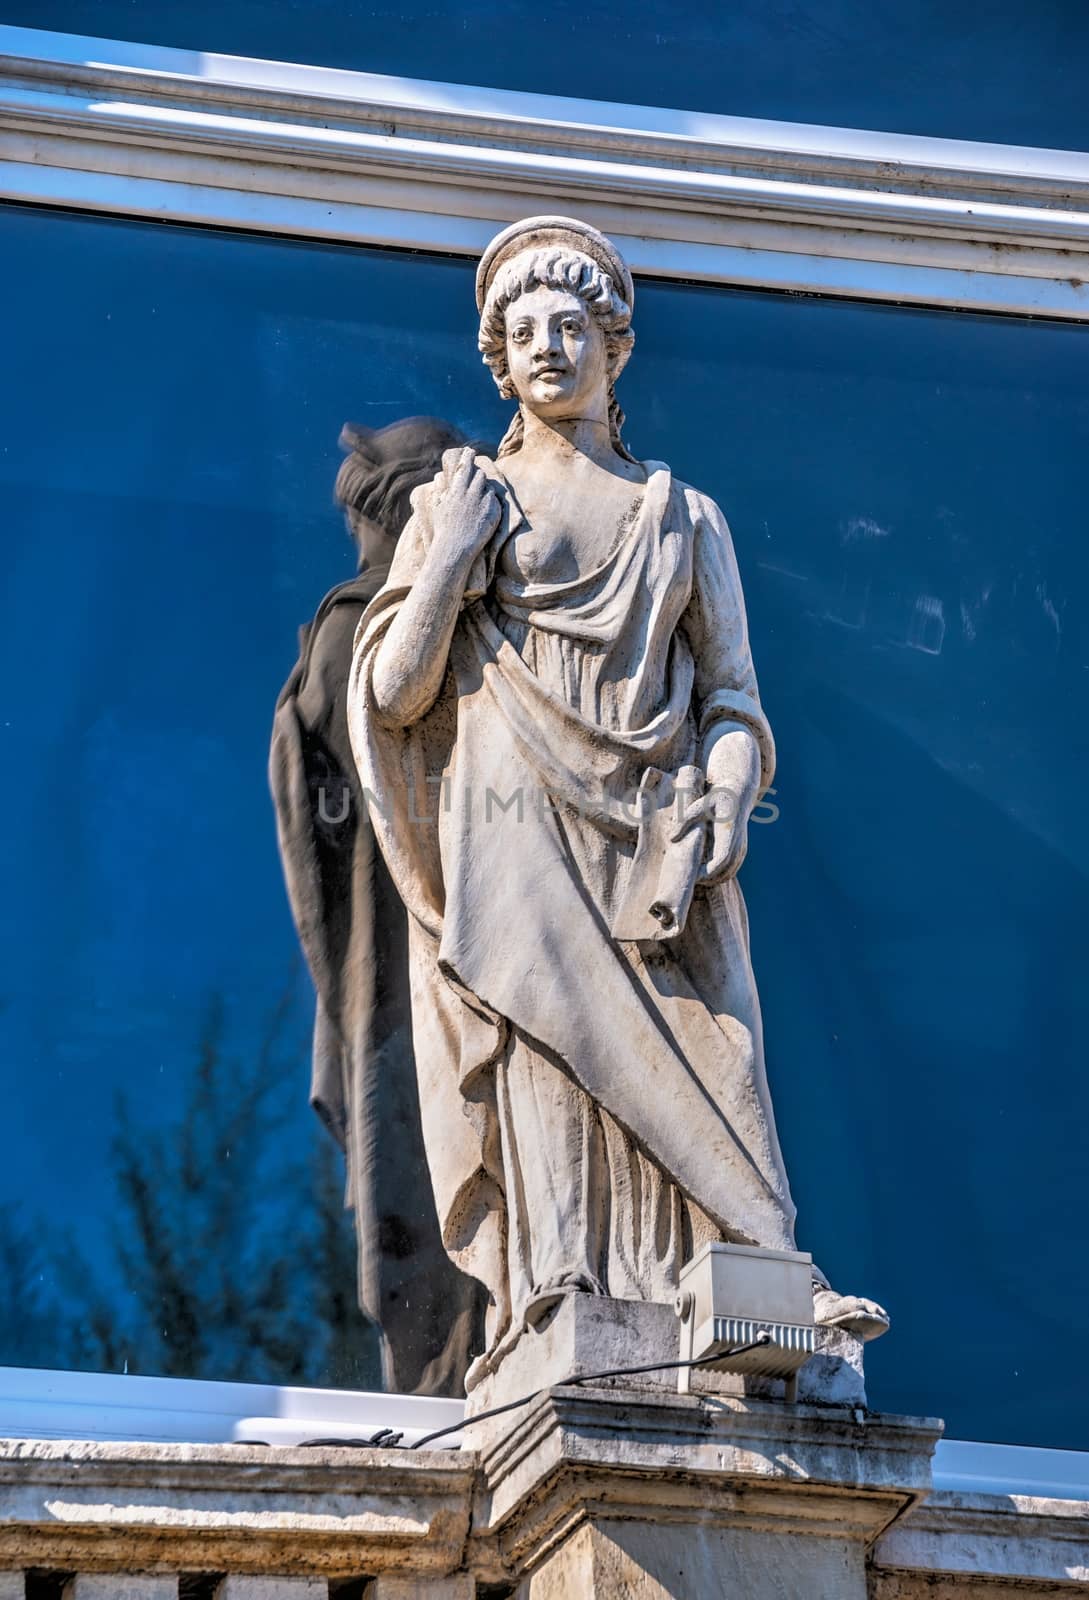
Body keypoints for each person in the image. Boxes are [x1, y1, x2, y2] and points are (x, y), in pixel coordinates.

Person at [348, 217, 886, 1390]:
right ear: (498, 362)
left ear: (613, 347)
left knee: (711, 1058)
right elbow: (393, 692)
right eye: (524, 330)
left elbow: (735, 702)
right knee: (549, 1053)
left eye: (571, 325)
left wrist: (731, 798)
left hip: (655, 848)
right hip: (516, 839)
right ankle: (565, 1290)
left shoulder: (680, 518)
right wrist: (447, 560)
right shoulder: (465, 496)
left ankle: (759, 1282)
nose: (548, 345)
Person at [270, 416, 485, 1396]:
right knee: (427, 1178)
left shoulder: (356, 623)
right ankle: (439, 1385)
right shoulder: (364, 626)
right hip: (405, 968)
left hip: (410, 966)